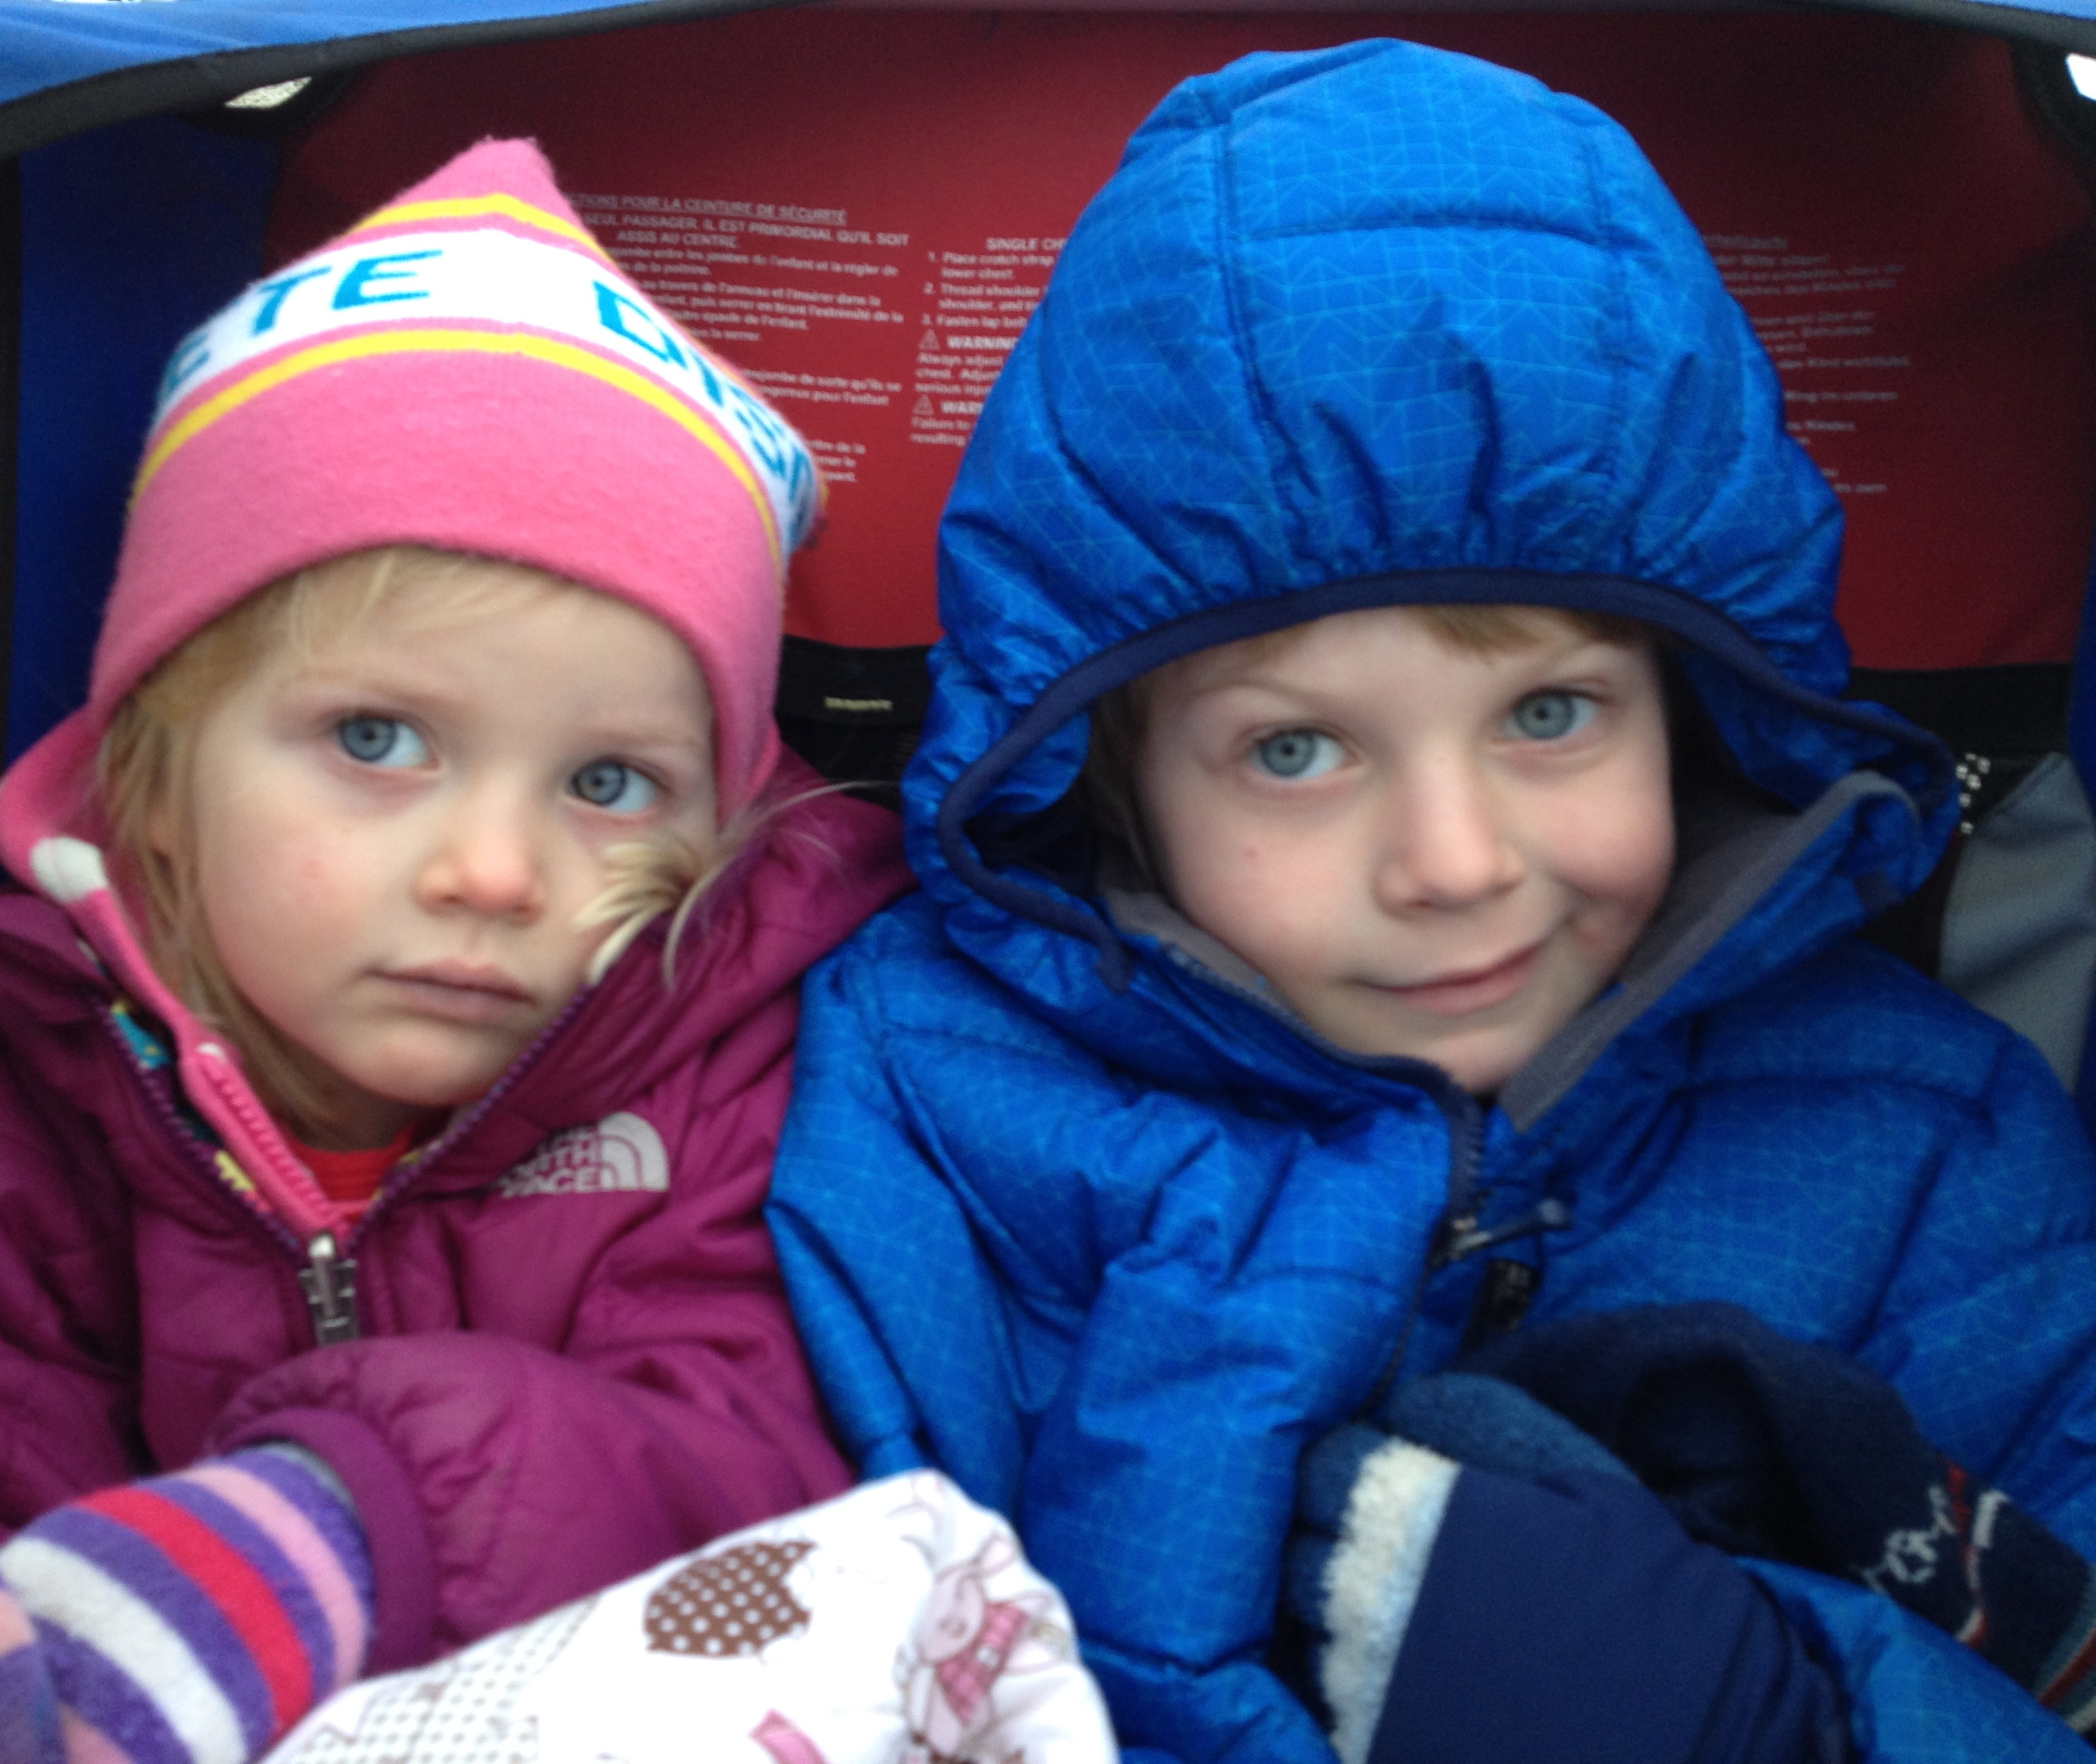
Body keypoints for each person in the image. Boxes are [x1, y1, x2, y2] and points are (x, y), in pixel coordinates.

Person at [766, 40, 2096, 1764]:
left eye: (1550, 715)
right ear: (1107, 773)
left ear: (1695, 706)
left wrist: (1791, 1707)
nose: (1456, 862)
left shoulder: (1928, 1144)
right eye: (1297, 751)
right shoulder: (926, 1108)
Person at [0, 138, 908, 1760]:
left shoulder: (745, 1099)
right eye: (377, 738)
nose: (492, 872)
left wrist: (357, 1525)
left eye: (607, 783)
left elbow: (750, 1459)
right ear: (153, 790)